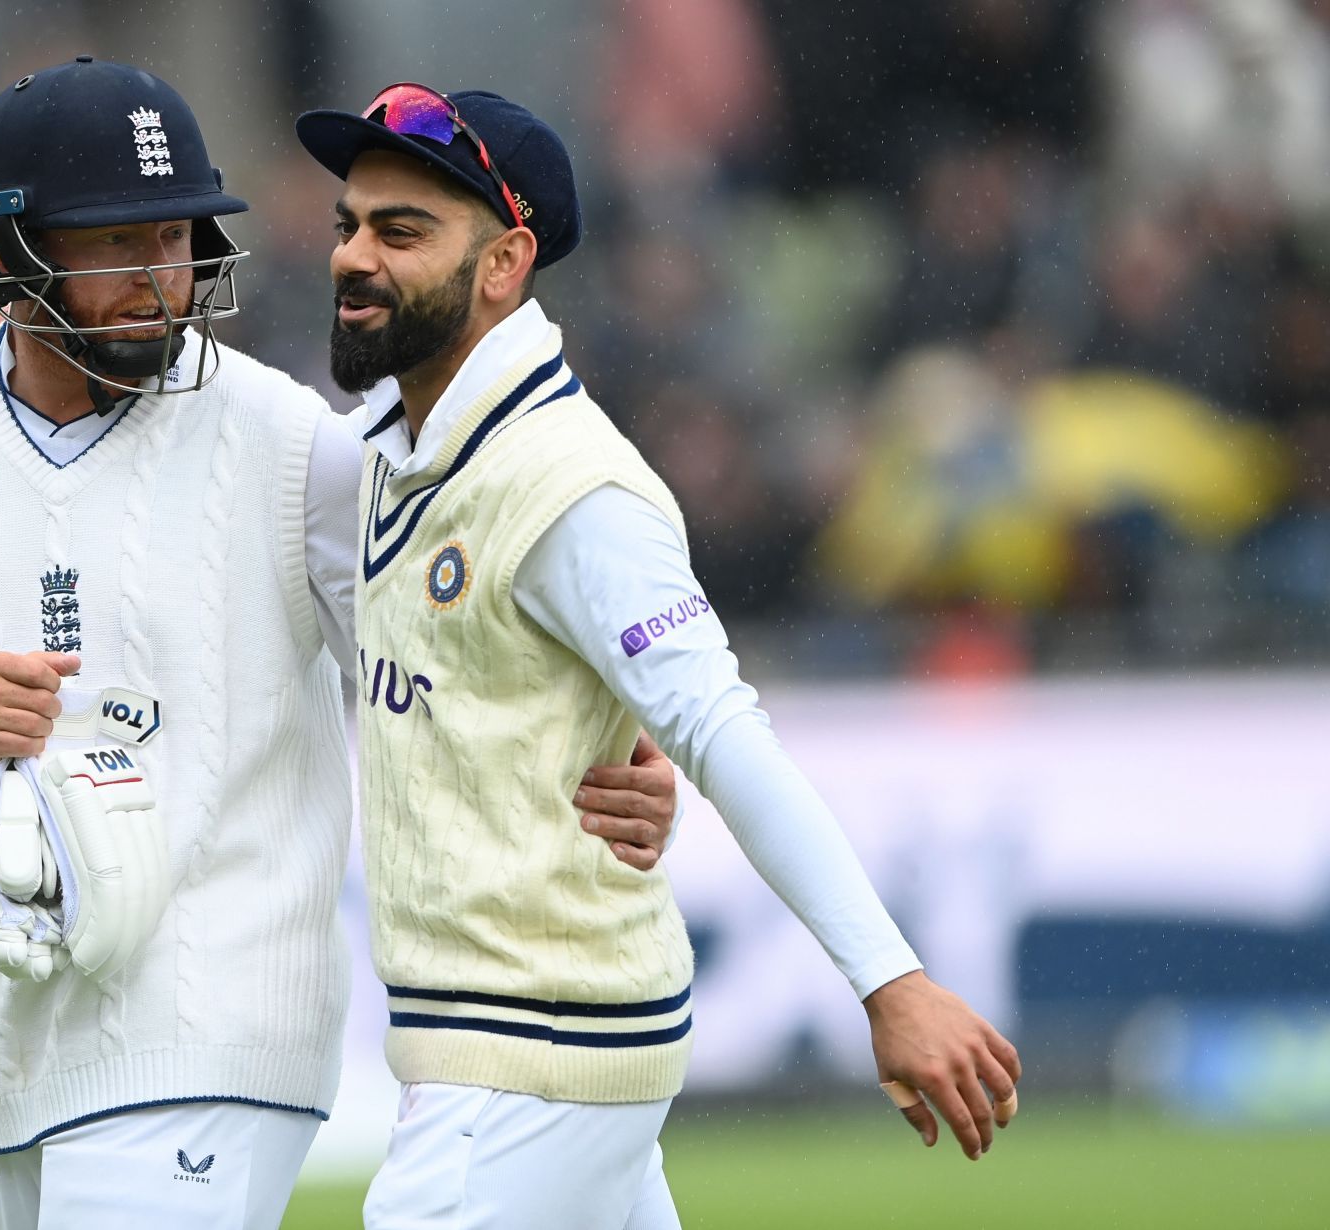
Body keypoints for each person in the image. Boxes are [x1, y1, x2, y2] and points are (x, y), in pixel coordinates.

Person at [0, 59, 679, 1230]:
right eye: (118, 245)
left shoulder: (297, 444)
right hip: (12, 1038)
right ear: (5, 259)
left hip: (225, 1021)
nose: (164, 281)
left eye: (179, 237)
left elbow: (446, 687)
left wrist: (602, 759)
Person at [291, 84, 1023, 1229]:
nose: (354, 257)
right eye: (349, 224)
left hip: (533, 1053)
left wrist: (891, 980)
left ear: (504, 263)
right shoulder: (390, 449)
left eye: (401, 230)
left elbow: (724, 732)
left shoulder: (573, 486)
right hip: (525, 1049)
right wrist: (8, 361)